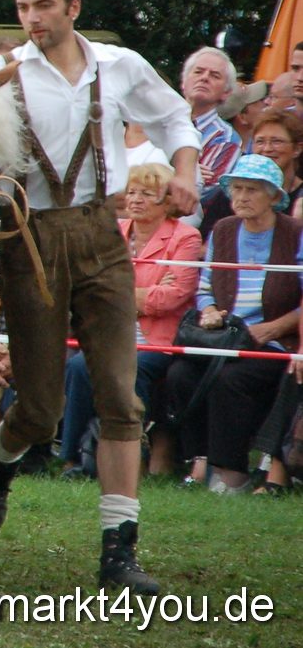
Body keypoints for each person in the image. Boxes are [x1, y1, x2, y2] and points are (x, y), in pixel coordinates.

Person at [0, 0, 200, 595]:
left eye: (42, 6)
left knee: (121, 398)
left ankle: (118, 554)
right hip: (30, 241)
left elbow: (176, 119)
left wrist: (184, 175)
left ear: (73, 7)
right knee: (41, 411)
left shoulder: (118, 65)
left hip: (104, 234)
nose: (32, 19)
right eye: (22, 9)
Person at [164, 155, 300, 493]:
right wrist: (208, 310)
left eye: (252, 190)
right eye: (236, 188)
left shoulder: (295, 233)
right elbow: (205, 284)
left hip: (271, 341)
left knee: (231, 379)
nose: (240, 197)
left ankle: (231, 470)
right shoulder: (222, 229)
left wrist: (273, 328)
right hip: (225, 336)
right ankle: (198, 462)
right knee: (181, 373)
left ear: (273, 195)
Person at [58, 162, 201, 477]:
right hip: (110, 334)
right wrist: (141, 294)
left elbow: (173, 296)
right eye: (133, 191)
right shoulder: (111, 231)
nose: (135, 199)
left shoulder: (186, 238)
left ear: (168, 203)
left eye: (148, 194)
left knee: (126, 369)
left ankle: (125, 458)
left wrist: (115, 294)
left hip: (158, 343)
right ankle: (73, 459)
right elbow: (86, 287)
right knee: (79, 365)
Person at [198, 109, 303, 238]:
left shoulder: (300, 195)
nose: (267, 149)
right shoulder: (232, 191)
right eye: (260, 141)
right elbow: (204, 247)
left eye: (277, 141)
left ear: (297, 149)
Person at [180, 48, 241, 188]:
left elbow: (204, 192)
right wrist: (189, 171)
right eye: (198, 72)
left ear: (226, 93)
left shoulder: (226, 138)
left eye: (215, 75)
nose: (204, 78)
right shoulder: (158, 121)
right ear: (183, 83)